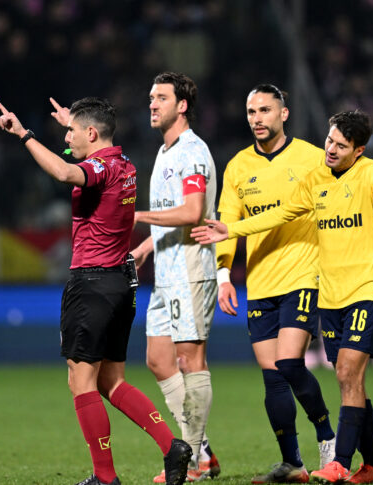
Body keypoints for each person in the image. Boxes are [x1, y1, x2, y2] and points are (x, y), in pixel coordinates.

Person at [192, 110, 373, 484]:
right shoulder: (315, 179)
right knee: (350, 382)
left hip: (366, 289)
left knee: (347, 371)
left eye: (340, 145)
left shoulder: (372, 173)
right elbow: (278, 215)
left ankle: (339, 462)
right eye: (329, 140)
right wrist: (231, 229)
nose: (330, 148)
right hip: (329, 297)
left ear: (358, 150)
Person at [0, 96, 192, 485]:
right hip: (120, 283)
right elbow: (82, 154)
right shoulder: (125, 164)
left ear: (91, 133)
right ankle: (172, 446)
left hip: (92, 284)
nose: (66, 137)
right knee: (111, 381)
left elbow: (68, 173)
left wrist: (24, 135)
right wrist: (74, 128)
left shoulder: (97, 167)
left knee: (80, 380)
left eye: (72, 131)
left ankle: (105, 478)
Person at [215, 84, 336, 484]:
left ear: (283, 114)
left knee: (288, 362)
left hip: (303, 276)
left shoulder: (312, 158)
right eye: (251, 112)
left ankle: (327, 440)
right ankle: (293, 464)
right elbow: (228, 225)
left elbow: (337, 207)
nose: (257, 119)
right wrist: (224, 275)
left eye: (265, 110)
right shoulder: (237, 167)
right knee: (272, 376)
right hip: (260, 282)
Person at [129, 72, 220, 482]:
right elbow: (172, 213)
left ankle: (193, 461)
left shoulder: (191, 152)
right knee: (158, 360)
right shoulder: (165, 153)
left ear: (181, 106)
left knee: (188, 360)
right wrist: (147, 245)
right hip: (165, 273)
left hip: (190, 272)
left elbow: (192, 212)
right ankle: (201, 449)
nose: (152, 104)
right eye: (151, 97)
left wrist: (135, 217)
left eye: (161, 98)